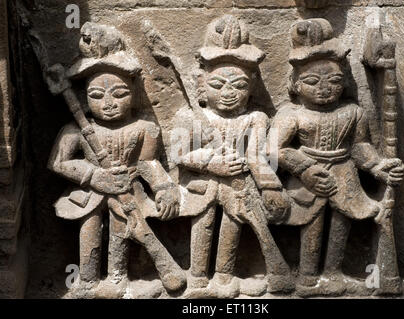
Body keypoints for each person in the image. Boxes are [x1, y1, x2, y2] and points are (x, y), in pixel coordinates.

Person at [48, 22, 185, 298]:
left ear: (133, 94)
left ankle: (117, 277)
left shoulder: (144, 129)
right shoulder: (76, 130)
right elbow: (58, 162)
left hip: (127, 190)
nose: (108, 103)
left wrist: (163, 187)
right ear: (85, 99)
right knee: (89, 231)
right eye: (97, 95)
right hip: (90, 194)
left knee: (123, 230)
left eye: (119, 93)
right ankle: (86, 279)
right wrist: (94, 176)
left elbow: (149, 163)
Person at [269, 19, 404, 287]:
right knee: (313, 224)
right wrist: (304, 170)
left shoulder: (352, 112)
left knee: (343, 222)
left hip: (345, 173)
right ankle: (308, 277)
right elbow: (273, 150)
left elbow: (359, 146)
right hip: (310, 175)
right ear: (295, 84)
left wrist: (378, 166)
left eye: (334, 80)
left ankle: (333, 271)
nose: (324, 88)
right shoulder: (291, 115)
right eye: (312, 81)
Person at [172, 15, 293, 297]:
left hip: (239, 187)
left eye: (238, 86)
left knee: (234, 222)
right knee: (203, 222)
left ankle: (225, 275)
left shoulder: (256, 118)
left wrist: (269, 186)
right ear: (201, 85)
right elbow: (179, 153)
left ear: (251, 88)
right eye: (218, 86)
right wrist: (214, 164)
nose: (228, 94)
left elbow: (257, 157)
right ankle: (198, 276)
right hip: (202, 186)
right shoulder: (189, 116)